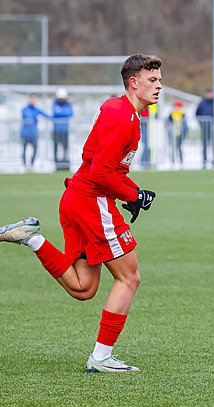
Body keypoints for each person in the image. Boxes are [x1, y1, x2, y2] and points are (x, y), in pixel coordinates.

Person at [0, 54, 162, 373]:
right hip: (91, 202)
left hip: (76, 198)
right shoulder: (123, 116)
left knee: (83, 288)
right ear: (133, 82)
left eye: (159, 79)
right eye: (152, 80)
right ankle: (101, 358)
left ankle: (32, 238)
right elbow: (101, 173)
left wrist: (129, 191)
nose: (159, 86)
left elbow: (101, 165)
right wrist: (134, 194)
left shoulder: (120, 110)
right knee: (129, 278)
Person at [20, 94, 49, 172]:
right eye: (32, 99)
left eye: (34, 99)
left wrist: (57, 117)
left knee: (35, 150)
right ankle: (25, 166)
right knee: (24, 150)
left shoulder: (37, 109)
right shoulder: (25, 109)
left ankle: (32, 165)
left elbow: (47, 115)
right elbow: (27, 116)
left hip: (33, 134)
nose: (33, 101)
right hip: (25, 134)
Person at [52, 88, 74, 171]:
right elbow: (56, 112)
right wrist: (63, 113)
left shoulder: (68, 105)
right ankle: (56, 163)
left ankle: (65, 162)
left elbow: (70, 113)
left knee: (65, 147)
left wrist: (61, 113)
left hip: (65, 130)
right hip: (56, 130)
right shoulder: (55, 104)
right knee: (56, 147)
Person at [196, 87, 214, 167]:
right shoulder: (202, 103)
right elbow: (197, 114)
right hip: (204, 127)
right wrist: (201, 123)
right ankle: (204, 159)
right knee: (204, 144)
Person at [167, 100, 188, 165]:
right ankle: (172, 161)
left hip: (180, 133)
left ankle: (181, 161)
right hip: (173, 133)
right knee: (173, 147)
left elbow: (185, 124)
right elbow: (168, 121)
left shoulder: (183, 114)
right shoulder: (172, 114)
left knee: (179, 147)